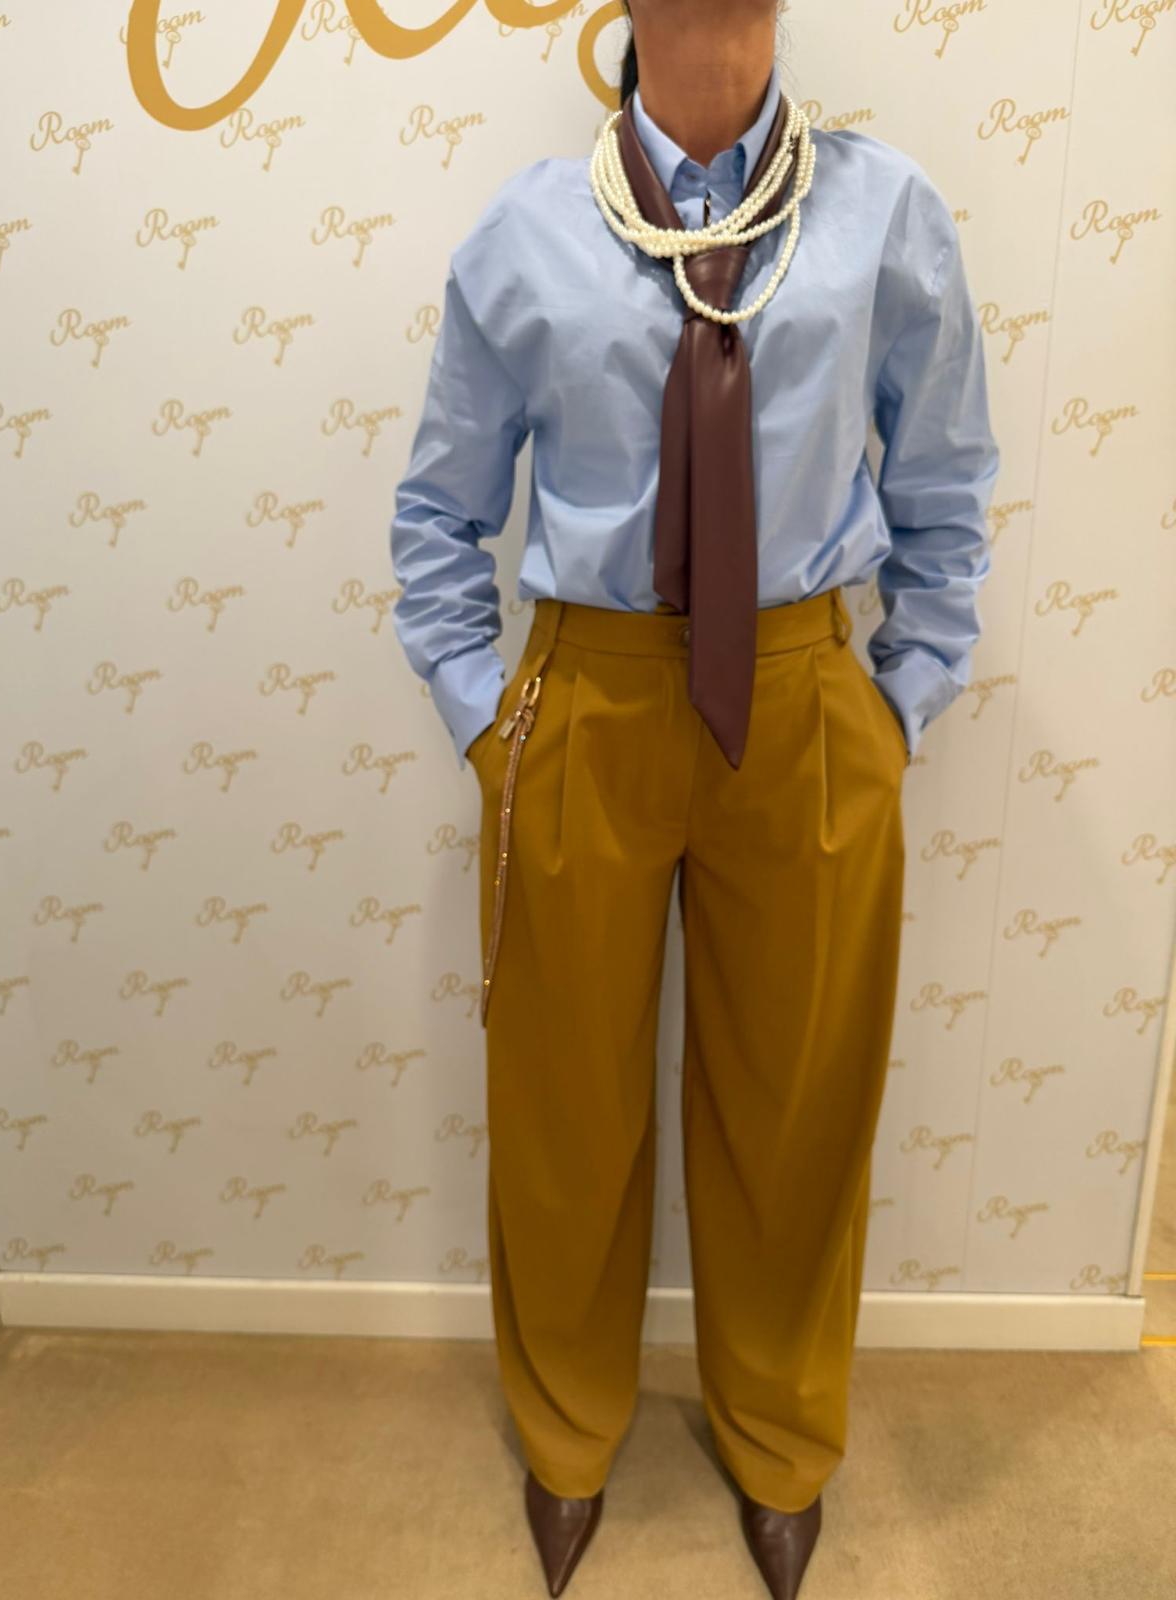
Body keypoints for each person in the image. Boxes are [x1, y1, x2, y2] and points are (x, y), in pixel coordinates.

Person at [389, 2, 999, 1594]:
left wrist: (897, 701)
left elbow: (945, 480)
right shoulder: (527, 232)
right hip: (584, 706)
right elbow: (438, 514)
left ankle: (781, 1437)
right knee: (564, 1108)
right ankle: (569, 1430)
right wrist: (490, 725)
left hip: (804, 707)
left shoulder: (886, 215)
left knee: (796, 1107)